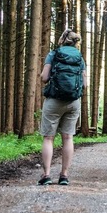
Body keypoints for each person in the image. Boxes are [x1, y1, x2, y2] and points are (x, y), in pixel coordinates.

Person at [38, 29, 85, 186]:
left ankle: (46, 175)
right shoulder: (79, 57)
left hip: (54, 100)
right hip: (73, 101)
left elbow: (44, 78)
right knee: (68, 137)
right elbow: (86, 84)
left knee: (48, 138)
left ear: (62, 39)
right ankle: (64, 175)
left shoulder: (54, 54)